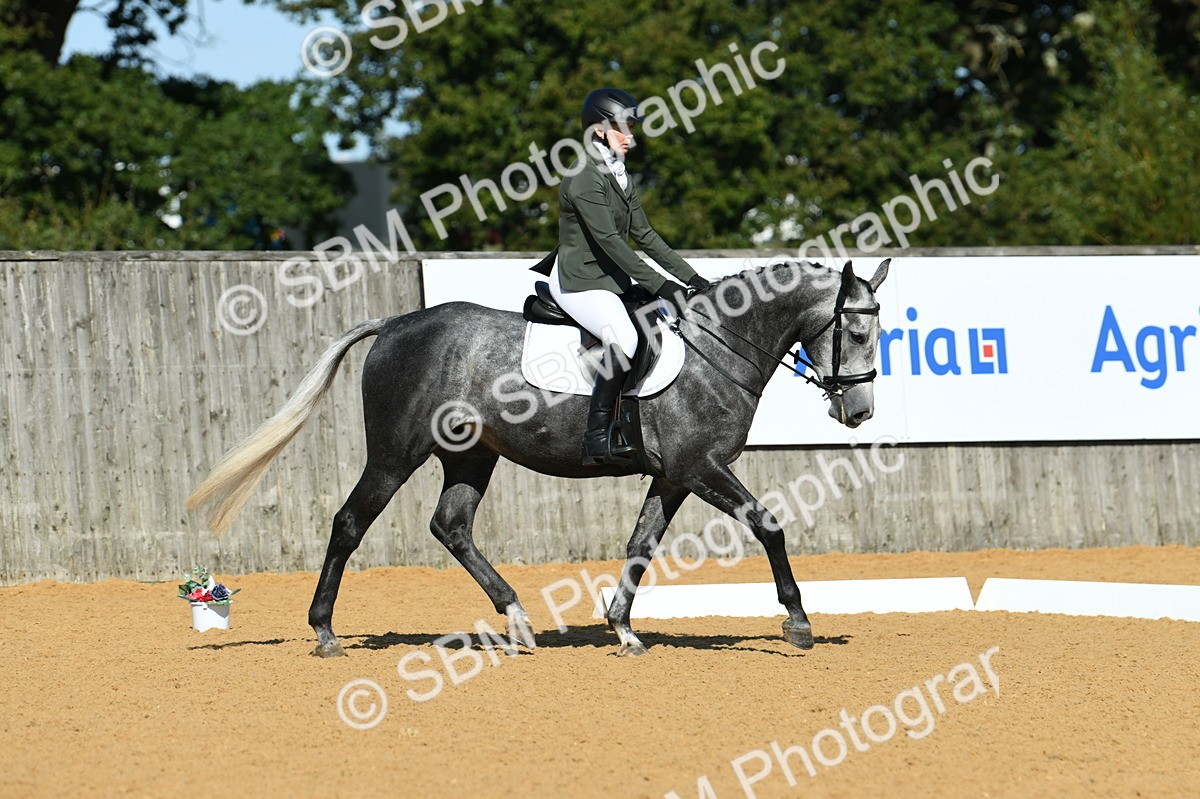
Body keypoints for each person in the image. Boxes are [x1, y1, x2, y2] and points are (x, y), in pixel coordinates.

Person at [533, 88, 711, 465]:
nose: (631, 136)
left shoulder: (619, 174)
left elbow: (645, 235)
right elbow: (612, 242)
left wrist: (694, 280)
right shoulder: (584, 177)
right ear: (599, 130)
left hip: (612, 282)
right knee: (626, 338)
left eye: (631, 127)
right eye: (624, 128)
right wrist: (662, 286)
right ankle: (596, 437)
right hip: (577, 282)